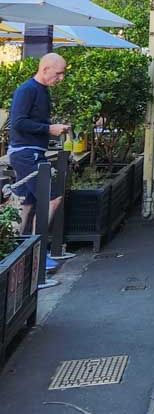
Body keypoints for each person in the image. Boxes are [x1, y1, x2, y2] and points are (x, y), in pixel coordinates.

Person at [8, 53, 72, 276]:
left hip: (31, 152)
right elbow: (17, 122)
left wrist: (52, 127)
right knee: (53, 199)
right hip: (26, 153)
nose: (61, 78)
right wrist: (48, 129)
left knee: (26, 205)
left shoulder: (41, 91)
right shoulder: (27, 90)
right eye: (58, 73)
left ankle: (15, 253)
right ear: (44, 69)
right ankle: (37, 255)